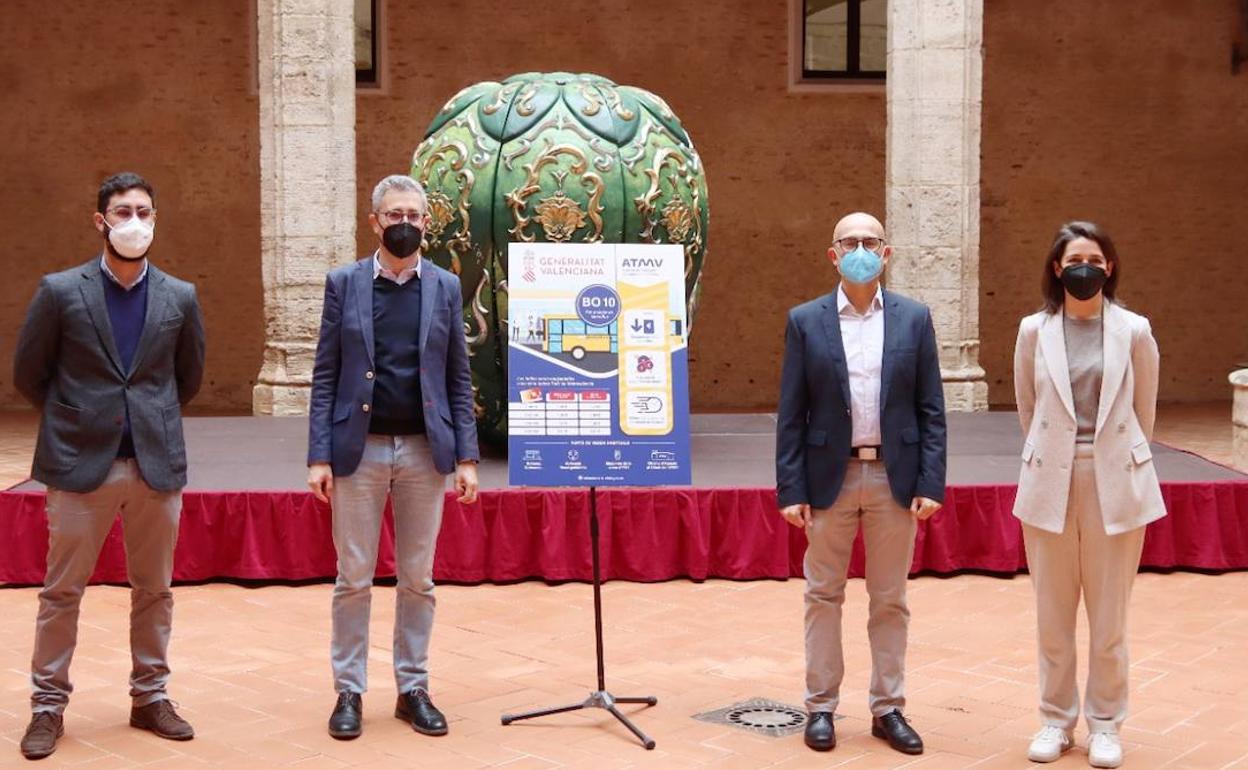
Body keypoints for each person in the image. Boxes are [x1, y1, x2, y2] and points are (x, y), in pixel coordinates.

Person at [12, 172, 206, 760]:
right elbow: (29, 372)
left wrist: (147, 416)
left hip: (154, 465)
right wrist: (78, 415)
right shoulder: (60, 291)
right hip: (78, 465)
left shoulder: (180, 296)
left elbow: (187, 377)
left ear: (155, 218)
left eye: (144, 211)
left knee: (155, 591)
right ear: (101, 221)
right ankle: (48, 706)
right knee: (61, 592)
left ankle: (151, 697)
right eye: (122, 211)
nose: (134, 222)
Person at [307, 174, 480, 740]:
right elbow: (326, 374)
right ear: (374, 221)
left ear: (427, 223)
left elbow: (458, 375)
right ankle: (349, 692)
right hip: (360, 450)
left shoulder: (446, 288)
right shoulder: (344, 283)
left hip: (426, 453)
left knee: (418, 578)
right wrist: (319, 455)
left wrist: (467, 457)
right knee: (353, 577)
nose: (404, 223)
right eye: (394, 214)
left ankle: (413, 687)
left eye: (414, 214)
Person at [775, 212, 947, 755]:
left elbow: (931, 409)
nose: (860, 249)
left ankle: (888, 708)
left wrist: (931, 480)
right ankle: (821, 707)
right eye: (849, 242)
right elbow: (791, 412)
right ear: (832, 254)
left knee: (889, 599)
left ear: (887, 253)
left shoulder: (914, 319)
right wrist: (791, 488)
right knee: (822, 595)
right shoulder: (806, 321)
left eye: (870, 241)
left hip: (894, 479)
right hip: (831, 477)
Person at [1013, 222, 1163, 768]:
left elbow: (1143, 412)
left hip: (1114, 479)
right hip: (1051, 476)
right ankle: (1055, 720)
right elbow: (1029, 410)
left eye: (1096, 260)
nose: (1086, 268)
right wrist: (1056, 453)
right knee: (1053, 614)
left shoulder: (1135, 330)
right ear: (1057, 267)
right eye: (1075, 259)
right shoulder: (1033, 330)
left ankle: (1106, 725)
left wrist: (1115, 457)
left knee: (1109, 616)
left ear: (1110, 267)